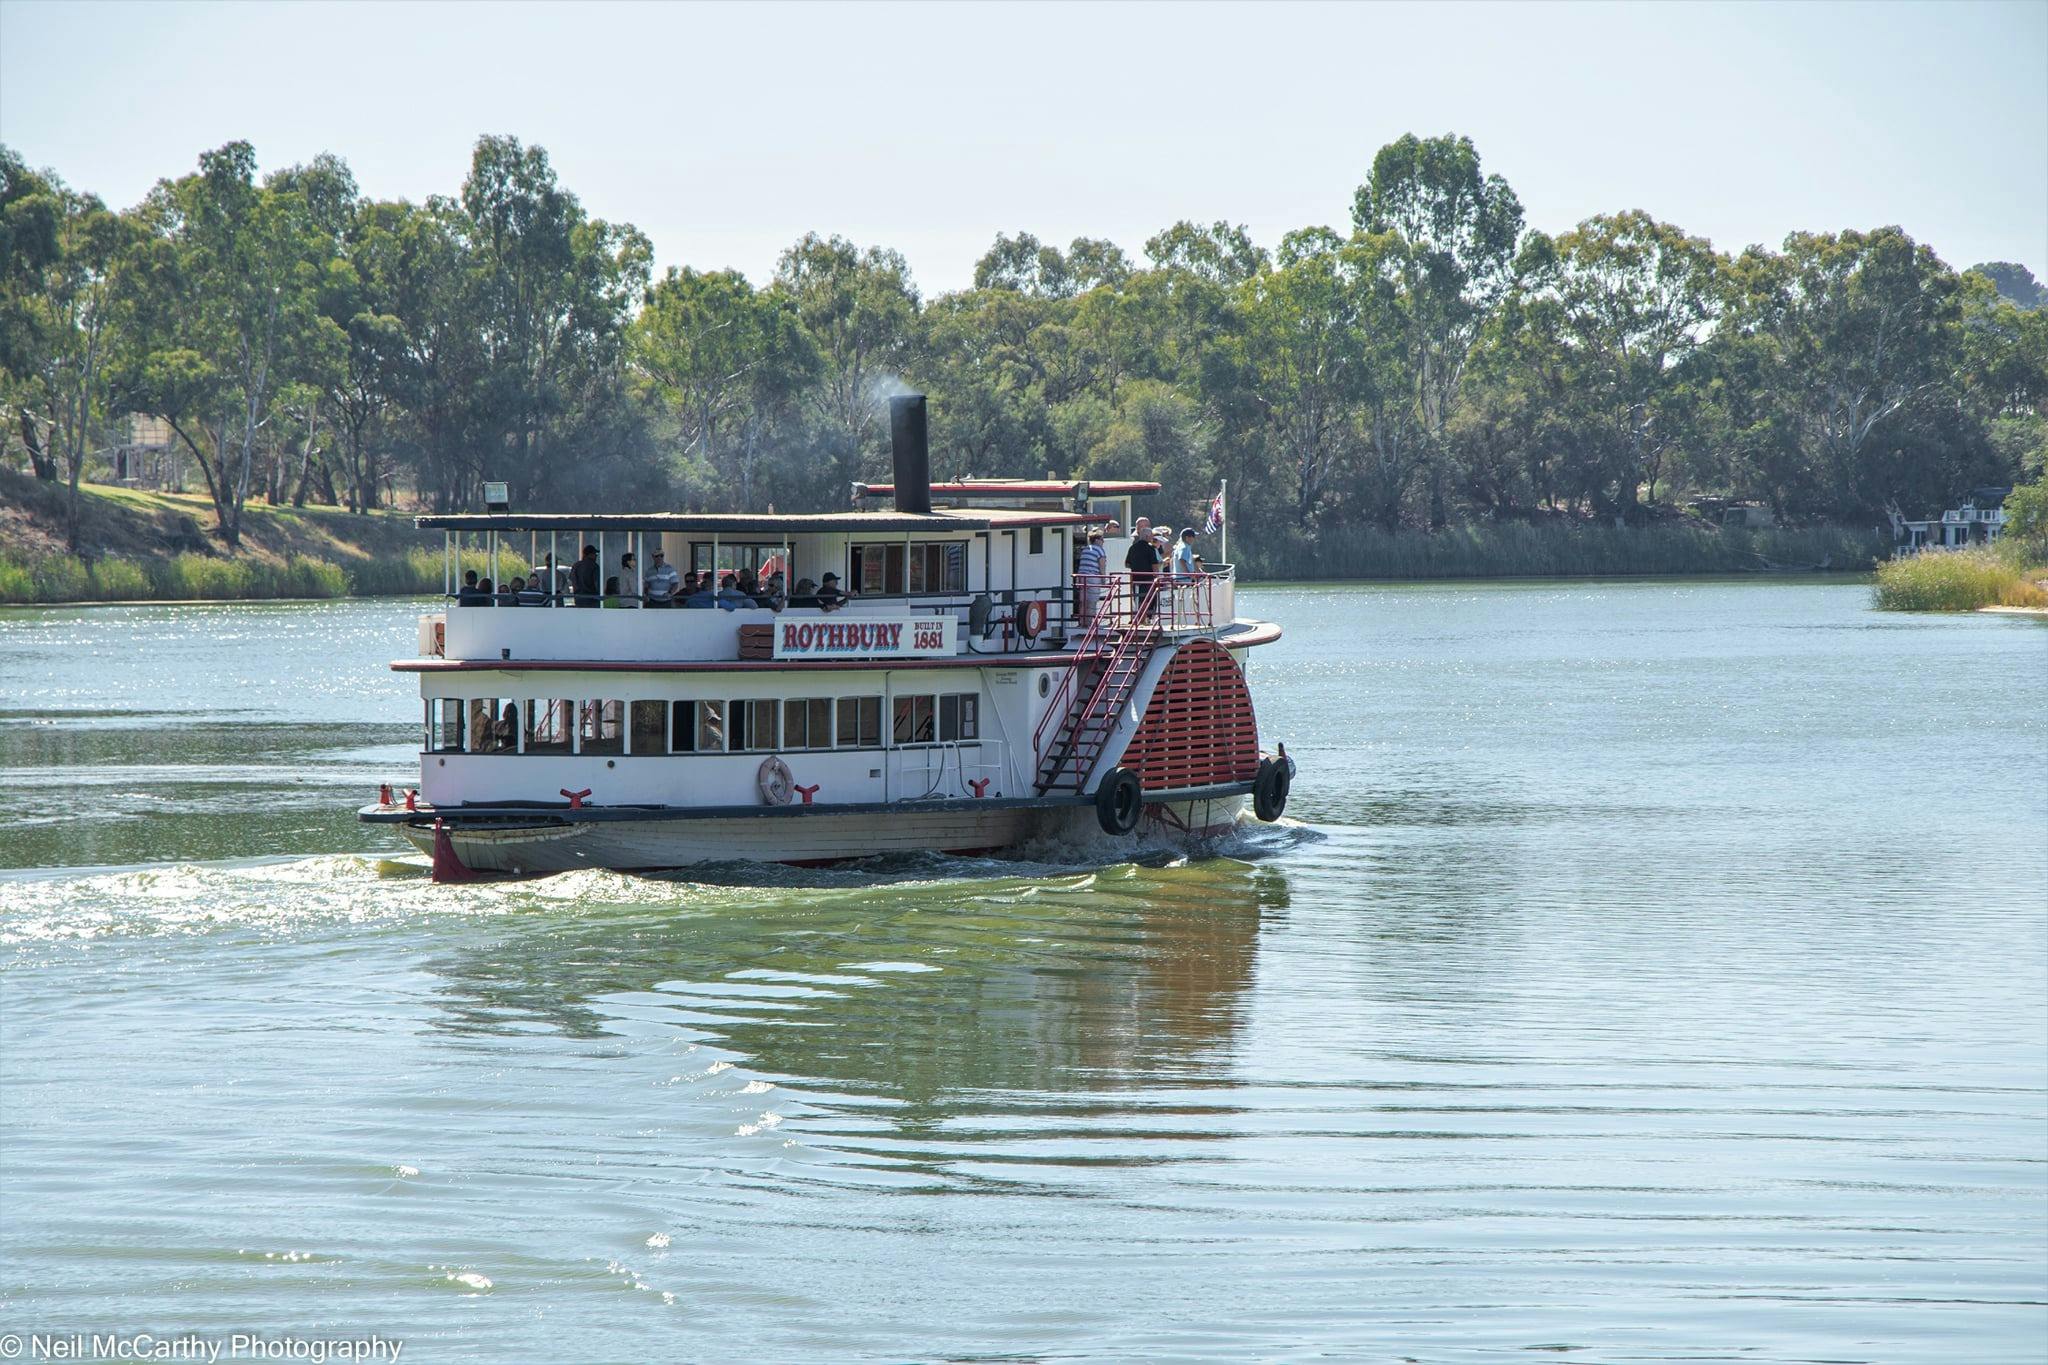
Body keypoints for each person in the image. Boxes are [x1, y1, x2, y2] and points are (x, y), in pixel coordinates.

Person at [1124, 519, 1161, 619]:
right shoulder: (1150, 549)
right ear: (1147, 536)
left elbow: (1127, 564)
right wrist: (1158, 577)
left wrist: (1136, 566)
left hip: (1135, 578)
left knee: (1138, 599)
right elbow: (1155, 565)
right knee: (1147, 599)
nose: (1152, 538)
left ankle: (1139, 618)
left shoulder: (1132, 548)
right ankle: (1144, 619)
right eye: (1151, 536)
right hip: (1147, 579)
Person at [1076, 528, 1106, 623]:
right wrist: (1103, 579)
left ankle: (1082, 622)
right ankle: (1089, 623)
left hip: (1081, 577)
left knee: (1083, 601)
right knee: (1092, 601)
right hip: (1093, 578)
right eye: (1102, 539)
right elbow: (1102, 566)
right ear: (1097, 540)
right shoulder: (1100, 550)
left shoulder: (1085, 549)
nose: (1103, 541)